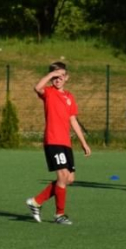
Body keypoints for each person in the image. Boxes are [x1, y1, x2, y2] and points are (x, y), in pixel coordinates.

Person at [26, 62, 92, 225]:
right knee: (62, 176)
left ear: (66, 78)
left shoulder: (70, 97)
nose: (57, 79)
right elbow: (37, 87)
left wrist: (83, 142)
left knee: (69, 179)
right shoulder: (48, 92)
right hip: (53, 140)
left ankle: (36, 201)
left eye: (61, 76)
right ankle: (59, 214)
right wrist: (51, 74)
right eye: (54, 77)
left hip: (65, 143)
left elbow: (73, 120)